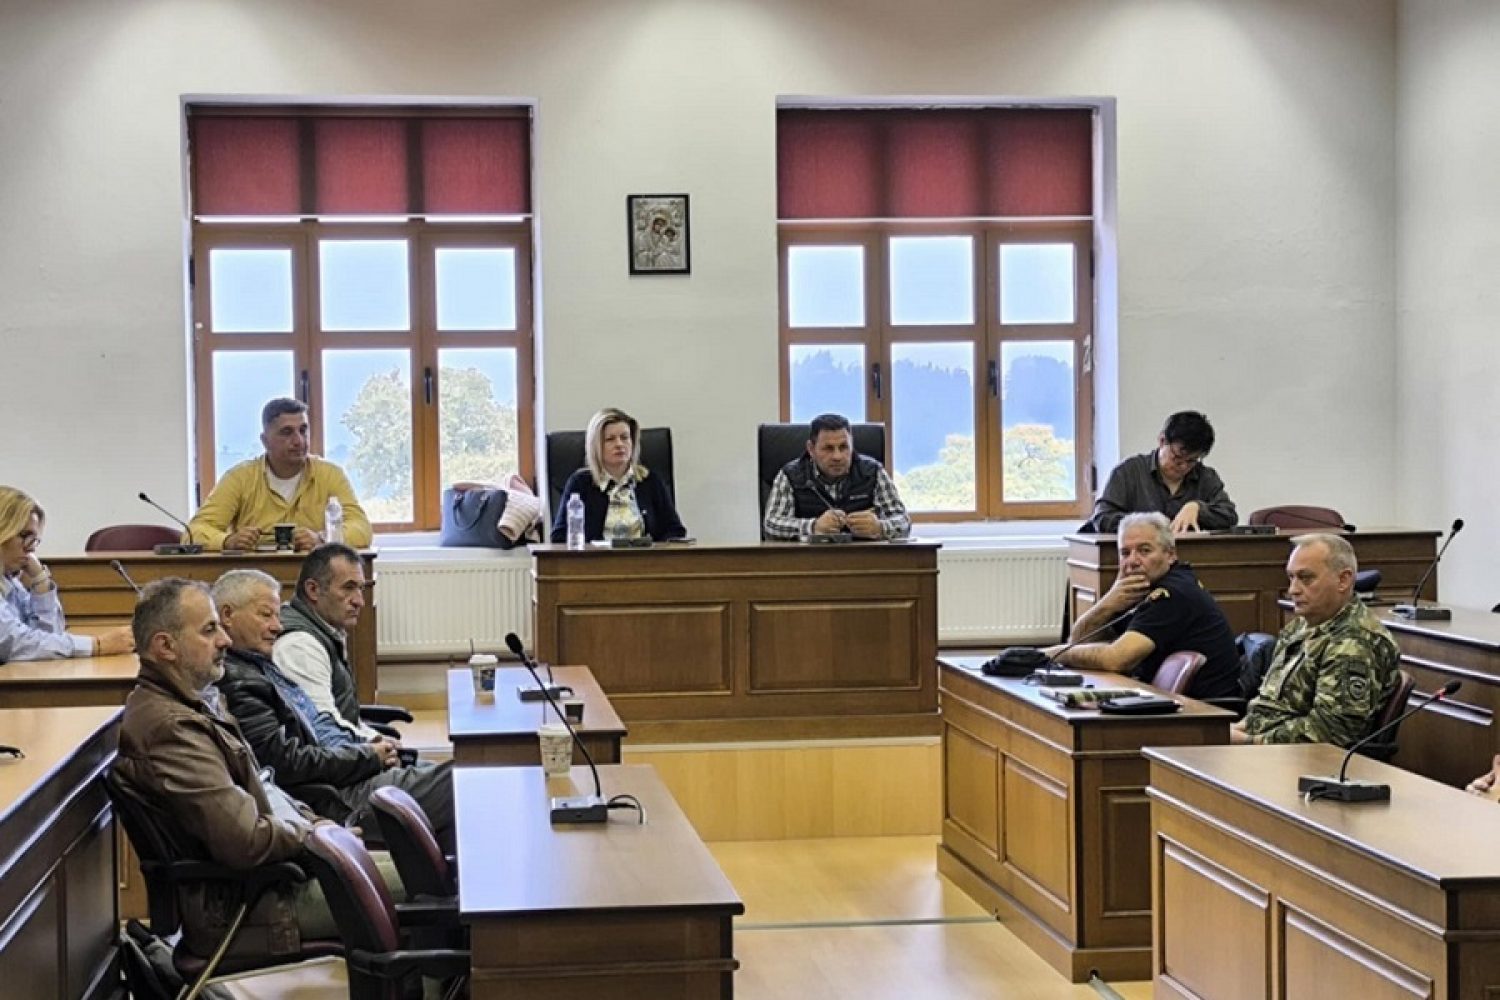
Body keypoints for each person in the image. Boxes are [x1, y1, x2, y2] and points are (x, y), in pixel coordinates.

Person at [110, 577, 401, 964]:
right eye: (209, 630)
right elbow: (245, 839)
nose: (224, 640)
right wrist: (314, 835)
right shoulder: (172, 729)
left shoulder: (195, 703)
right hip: (256, 905)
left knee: (427, 872)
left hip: (280, 878)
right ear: (166, 647)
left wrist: (320, 826)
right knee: (430, 884)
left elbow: (266, 790)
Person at [212, 569, 455, 849]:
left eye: (277, 616)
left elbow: (318, 730)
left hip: (349, 772)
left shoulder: (258, 665)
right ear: (227, 615)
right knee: (465, 779)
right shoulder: (239, 682)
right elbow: (284, 764)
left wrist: (367, 749)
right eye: (266, 615)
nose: (277, 626)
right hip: (340, 795)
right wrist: (367, 757)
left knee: (462, 781)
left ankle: (445, 872)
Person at [1042, 512, 1240, 699]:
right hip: (1160, 699)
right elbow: (1079, 640)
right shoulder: (1139, 587)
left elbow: (1117, 659)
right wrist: (1106, 604)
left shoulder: (1173, 593)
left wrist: (1054, 654)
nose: (1133, 561)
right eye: (1125, 553)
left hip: (1202, 710)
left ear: (1170, 555)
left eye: (1144, 550)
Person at [1231, 533, 1398, 746]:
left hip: (1300, 759)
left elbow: (1330, 732)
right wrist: (1235, 730)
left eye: (1306, 578)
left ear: (1343, 580)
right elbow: (1269, 708)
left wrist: (1248, 741)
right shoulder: (1302, 626)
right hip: (1266, 749)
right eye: (1291, 577)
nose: (1293, 590)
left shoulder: (1354, 643)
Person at [186, 397, 372, 552]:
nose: (299, 441)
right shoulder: (240, 478)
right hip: (255, 575)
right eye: (287, 432)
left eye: (303, 430)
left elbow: (361, 528)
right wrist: (228, 541)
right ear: (265, 441)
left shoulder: (330, 475)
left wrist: (322, 538)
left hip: (315, 573)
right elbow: (194, 532)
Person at [0, 486, 133, 662]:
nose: (31, 548)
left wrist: (41, 581)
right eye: (25, 536)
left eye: (34, 540)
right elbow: (15, 645)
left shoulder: (9, 581)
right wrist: (97, 645)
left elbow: (48, 638)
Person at [273, 543, 380, 739]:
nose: (359, 601)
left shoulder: (325, 629)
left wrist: (375, 737)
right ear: (313, 590)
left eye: (360, 588)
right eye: (348, 588)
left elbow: (343, 718)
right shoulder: (300, 646)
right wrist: (374, 746)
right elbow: (323, 730)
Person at [763, 413, 911, 541]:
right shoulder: (790, 475)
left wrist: (879, 527)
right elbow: (771, 525)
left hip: (863, 558)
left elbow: (903, 522)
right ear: (811, 449)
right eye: (828, 448)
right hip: (808, 559)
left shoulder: (872, 472)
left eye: (843, 447)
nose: (837, 456)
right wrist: (813, 526)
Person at [549, 407, 687, 543]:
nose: (619, 444)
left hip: (644, 557)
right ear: (596, 446)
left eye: (624, 437)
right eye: (610, 439)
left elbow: (675, 531)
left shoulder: (650, 481)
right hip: (596, 557)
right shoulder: (580, 483)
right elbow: (560, 536)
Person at [1090, 410, 1236, 534]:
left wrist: (1198, 509)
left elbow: (1229, 515)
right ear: (1162, 440)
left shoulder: (1206, 477)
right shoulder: (1128, 472)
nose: (1183, 466)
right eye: (1177, 458)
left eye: (1192, 461)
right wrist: (1148, 525)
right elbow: (1103, 517)